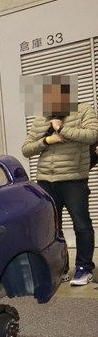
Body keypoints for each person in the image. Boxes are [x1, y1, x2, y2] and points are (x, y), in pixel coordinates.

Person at [22, 77, 98, 286]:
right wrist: (48, 139)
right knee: (54, 227)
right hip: (46, 180)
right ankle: (61, 267)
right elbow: (26, 149)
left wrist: (62, 129)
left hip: (74, 178)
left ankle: (84, 268)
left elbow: (92, 135)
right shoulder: (41, 118)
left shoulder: (83, 110)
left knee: (81, 224)